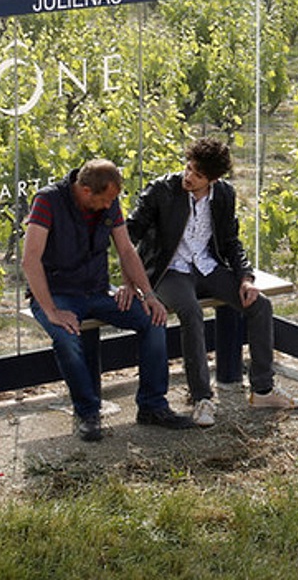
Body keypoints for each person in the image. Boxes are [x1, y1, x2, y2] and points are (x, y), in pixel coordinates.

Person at [127, 138, 298, 428]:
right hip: (169, 271)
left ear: (213, 178)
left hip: (208, 267)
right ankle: (202, 398)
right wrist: (131, 280)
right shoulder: (162, 190)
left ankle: (262, 389)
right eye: (188, 168)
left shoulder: (224, 195)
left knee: (260, 305)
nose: (188, 177)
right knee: (191, 312)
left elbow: (230, 241)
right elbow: (128, 233)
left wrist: (246, 278)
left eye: (197, 175)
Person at [22, 158, 195, 441]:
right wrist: (51, 310)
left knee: (154, 320)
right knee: (66, 338)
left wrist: (148, 295)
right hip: (57, 294)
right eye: (105, 200)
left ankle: (152, 406)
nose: (109, 206)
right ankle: (88, 413)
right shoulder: (48, 201)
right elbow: (30, 261)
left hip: (98, 291)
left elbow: (126, 250)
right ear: (87, 191)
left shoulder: (108, 201)